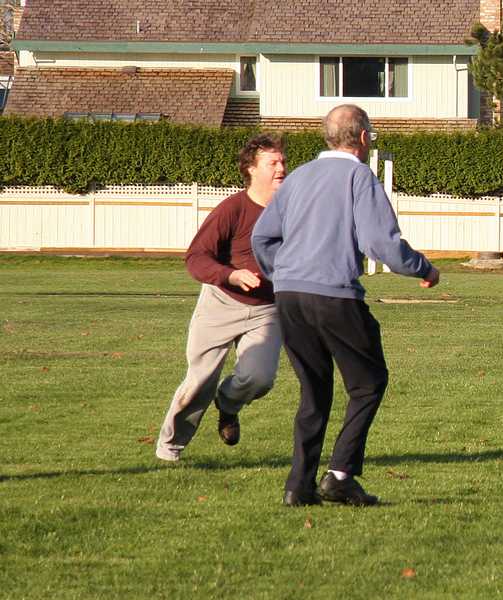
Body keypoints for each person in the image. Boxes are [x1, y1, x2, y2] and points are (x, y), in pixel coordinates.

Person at [252, 104, 440, 507]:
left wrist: (285, 273)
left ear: (327, 136)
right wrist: (422, 267)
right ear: (364, 138)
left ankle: (298, 486)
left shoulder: (298, 177)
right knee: (368, 383)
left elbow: (261, 238)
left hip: (289, 296)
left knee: (314, 392)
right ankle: (339, 475)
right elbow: (380, 243)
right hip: (334, 295)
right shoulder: (359, 177)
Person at [155, 134, 286, 462]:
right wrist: (231, 275)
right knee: (199, 381)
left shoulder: (292, 210)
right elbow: (196, 257)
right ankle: (169, 450)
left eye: (283, 161)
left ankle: (228, 404)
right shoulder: (232, 209)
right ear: (251, 169)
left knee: (260, 378)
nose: (281, 168)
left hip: (267, 309)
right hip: (221, 303)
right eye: (273, 163)